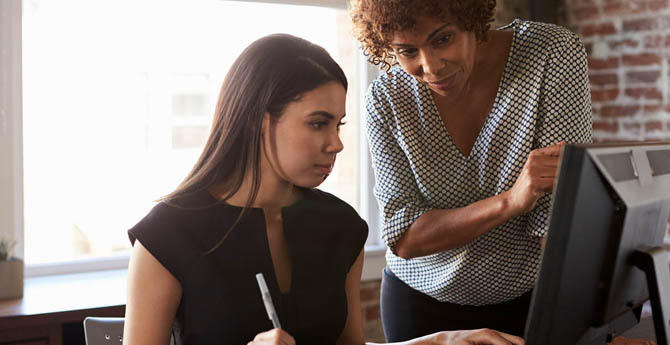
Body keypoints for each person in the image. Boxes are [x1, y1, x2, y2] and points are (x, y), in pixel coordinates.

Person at [122, 33, 525, 345]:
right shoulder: (166, 236)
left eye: (339, 125)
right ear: (260, 122)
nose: (336, 143)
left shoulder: (341, 227)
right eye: (318, 123)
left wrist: (442, 340)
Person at [349, 0, 595, 341]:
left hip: (529, 301)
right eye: (407, 50)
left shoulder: (550, 53)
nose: (431, 67)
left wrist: (590, 327)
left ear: (472, 19)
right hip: (420, 304)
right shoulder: (386, 98)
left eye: (442, 39)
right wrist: (510, 201)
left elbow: (555, 218)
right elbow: (404, 236)